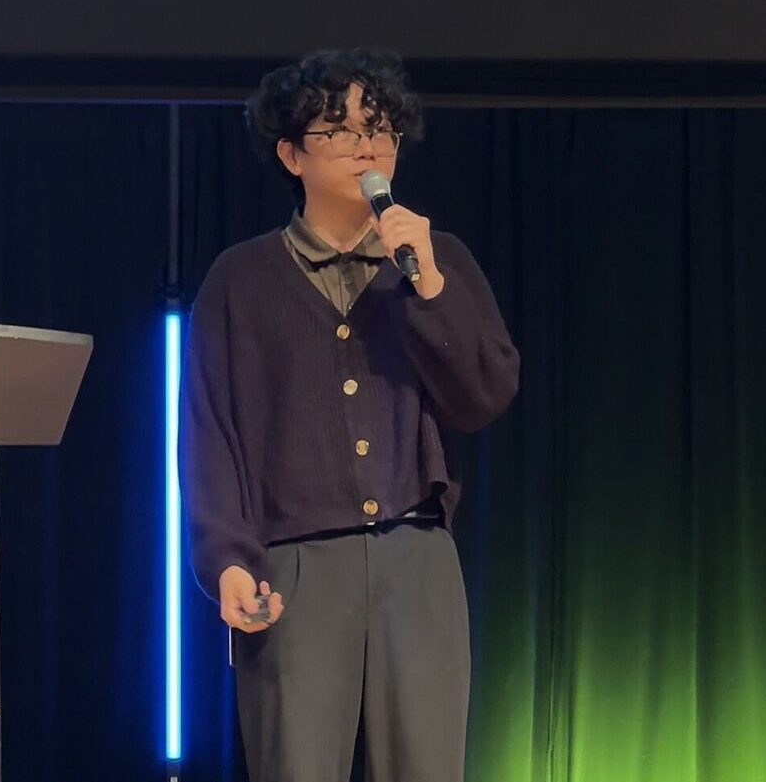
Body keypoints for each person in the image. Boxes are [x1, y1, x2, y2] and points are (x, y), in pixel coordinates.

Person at [179, 48, 519, 782]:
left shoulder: (434, 260)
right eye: (342, 129)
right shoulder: (240, 280)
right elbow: (209, 432)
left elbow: (484, 394)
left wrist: (430, 285)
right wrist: (227, 558)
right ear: (290, 153)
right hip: (294, 566)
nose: (369, 144)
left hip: (416, 554)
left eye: (383, 127)